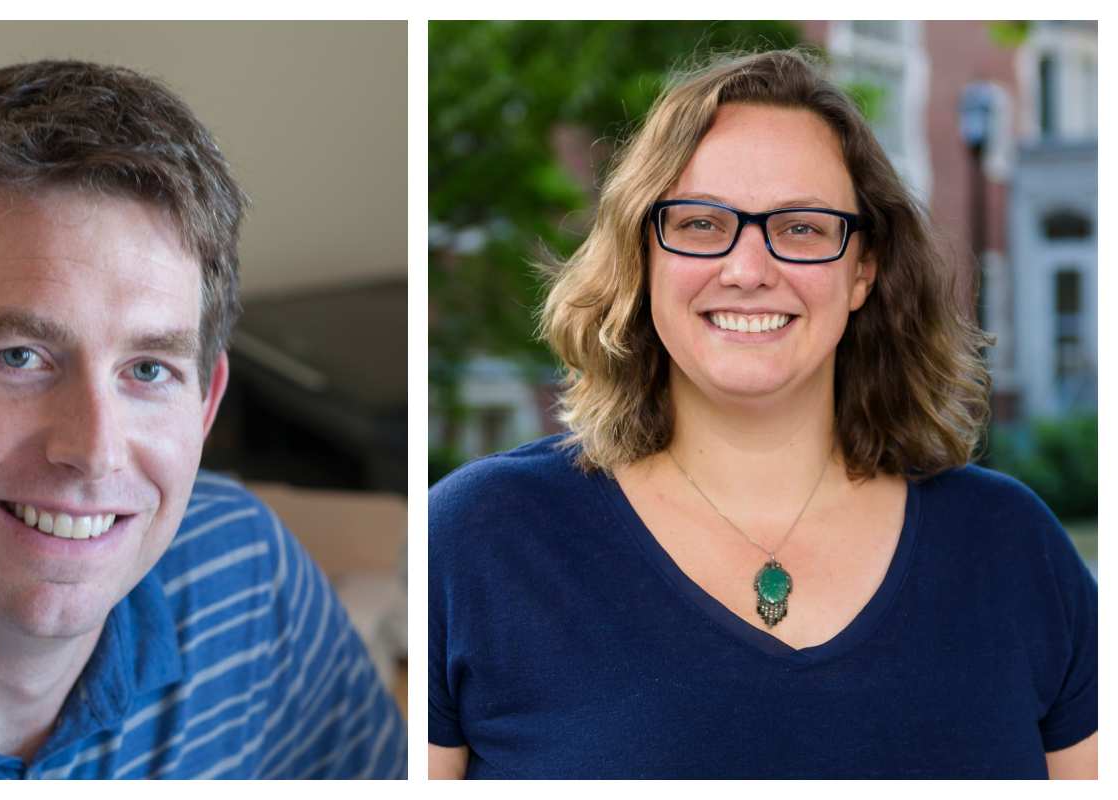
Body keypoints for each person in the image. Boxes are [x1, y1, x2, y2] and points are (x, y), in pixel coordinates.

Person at [428, 49, 1096, 779]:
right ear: (642, 256)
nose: (748, 270)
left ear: (863, 271)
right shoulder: (480, 543)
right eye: (702, 223)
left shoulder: (1013, 549)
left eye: (803, 227)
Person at [0, 59, 405, 779]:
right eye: (19, 357)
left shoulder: (246, 578)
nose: (94, 450)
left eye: (148, 370)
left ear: (206, 405)